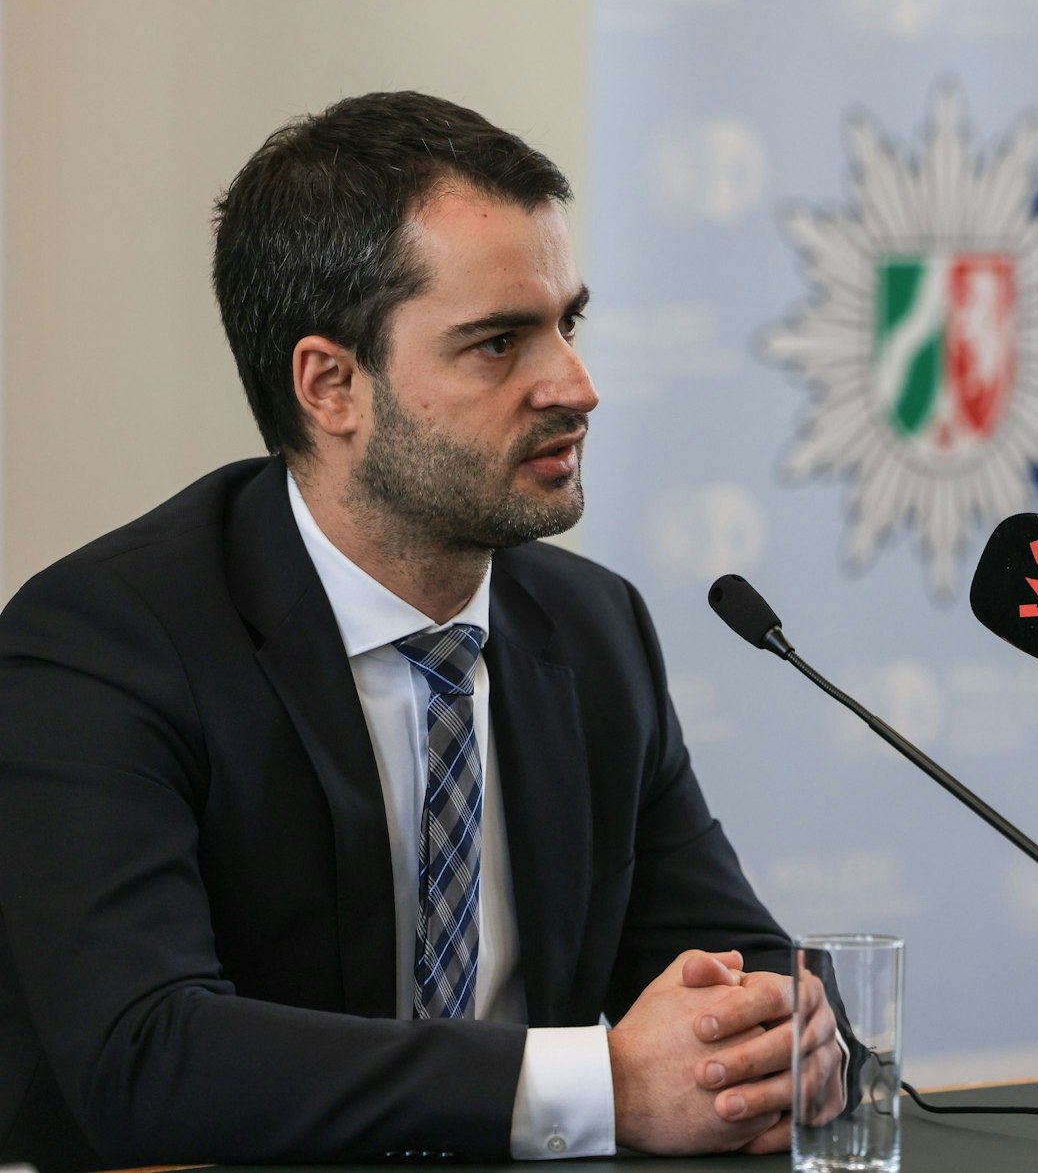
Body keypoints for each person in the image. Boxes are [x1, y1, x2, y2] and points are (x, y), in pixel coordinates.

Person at [0, 92, 844, 1169]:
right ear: (331, 385)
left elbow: (729, 962)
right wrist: (598, 1084)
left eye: (567, 325)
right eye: (498, 343)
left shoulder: (592, 630)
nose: (576, 385)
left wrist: (783, 1038)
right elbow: (145, 1059)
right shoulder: (104, 645)